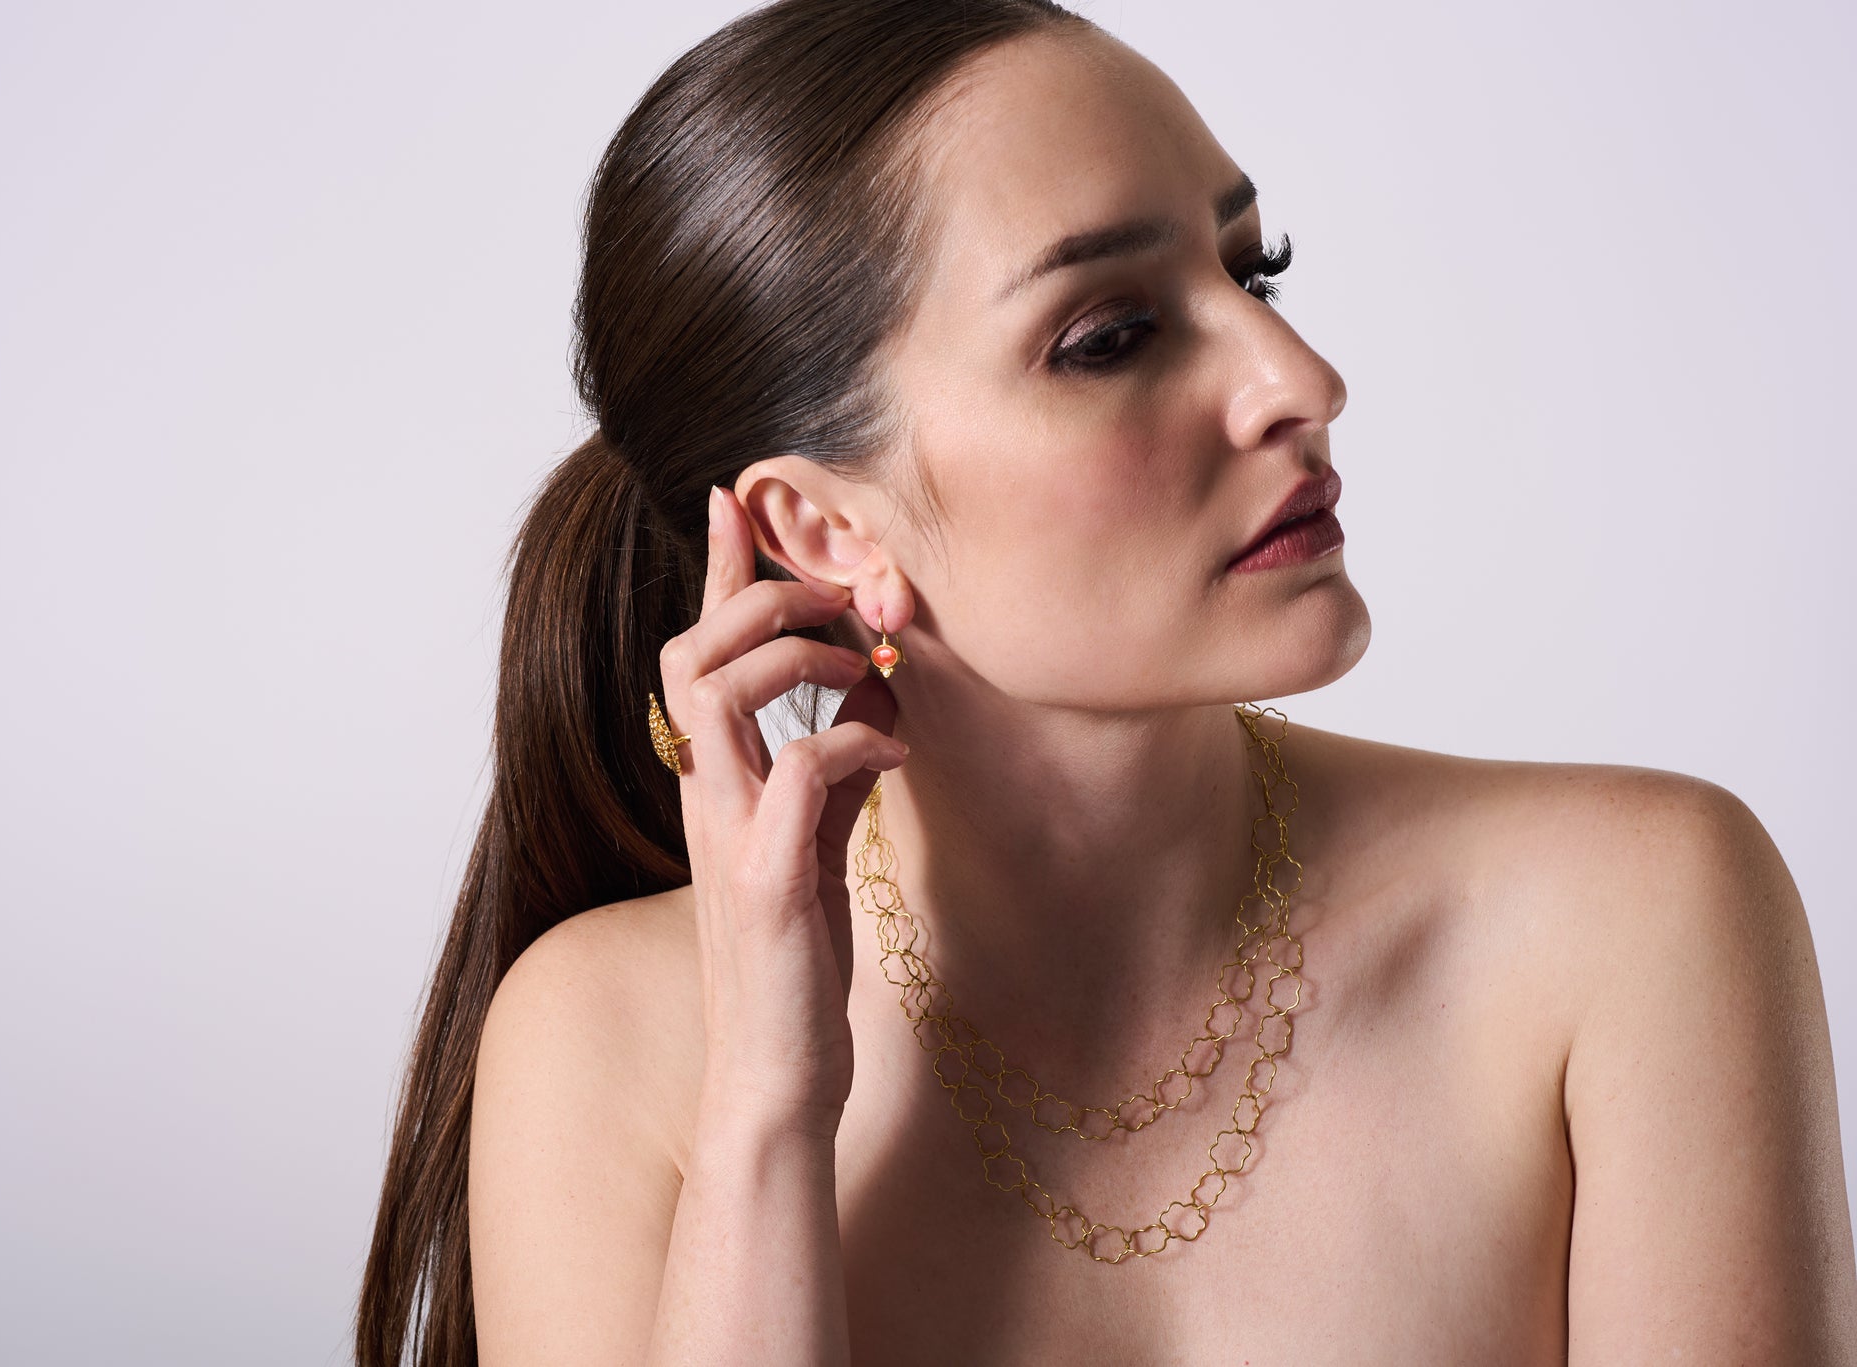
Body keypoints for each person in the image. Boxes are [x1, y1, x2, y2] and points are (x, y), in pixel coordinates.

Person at [356, 1, 1857, 1362]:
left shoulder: (1636, 920)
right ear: (823, 529)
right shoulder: (611, 1046)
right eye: (1111, 337)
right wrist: (768, 1111)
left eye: (1253, 269)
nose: (1300, 380)